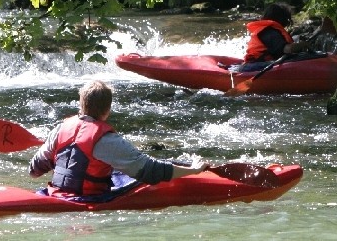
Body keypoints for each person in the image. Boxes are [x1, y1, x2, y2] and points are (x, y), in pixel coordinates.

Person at [29, 80, 209, 199]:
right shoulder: (107, 140)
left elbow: (34, 170)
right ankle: (187, 167)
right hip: (87, 200)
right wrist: (193, 170)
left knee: (115, 170)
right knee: (136, 171)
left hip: (55, 194)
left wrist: (65, 159)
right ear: (107, 110)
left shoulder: (60, 129)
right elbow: (150, 171)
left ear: (80, 105)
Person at [240, 2, 314, 69]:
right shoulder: (269, 32)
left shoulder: (270, 30)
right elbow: (288, 49)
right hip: (253, 66)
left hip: (257, 63)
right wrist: (303, 44)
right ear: (281, 18)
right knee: (289, 61)